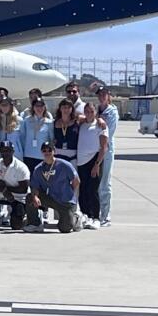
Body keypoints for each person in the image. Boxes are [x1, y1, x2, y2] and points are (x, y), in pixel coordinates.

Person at [24, 141, 81, 233]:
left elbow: (76, 181)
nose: (47, 153)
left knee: (65, 228)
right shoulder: (38, 169)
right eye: (44, 150)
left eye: (49, 150)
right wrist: (35, 197)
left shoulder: (64, 165)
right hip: (51, 198)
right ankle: (35, 224)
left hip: (65, 201)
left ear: (54, 151)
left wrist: (71, 195)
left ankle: (76, 218)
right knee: (30, 197)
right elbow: (35, 186)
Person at [0, 141, 30, 230]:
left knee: (16, 226)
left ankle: (26, 215)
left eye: (8, 150)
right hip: (3, 193)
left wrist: (6, 190)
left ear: (13, 151)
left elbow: (24, 188)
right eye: (3, 150)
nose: (5, 153)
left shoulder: (21, 167)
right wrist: (4, 191)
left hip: (19, 197)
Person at [77, 102, 108, 230]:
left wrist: (97, 164)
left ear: (95, 112)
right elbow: (76, 117)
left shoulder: (101, 126)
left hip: (94, 160)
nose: (89, 114)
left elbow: (104, 147)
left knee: (92, 190)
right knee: (83, 191)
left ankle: (96, 217)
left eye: (91, 111)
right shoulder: (82, 124)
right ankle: (86, 215)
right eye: (87, 111)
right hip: (81, 162)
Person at [96, 86, 118, 227]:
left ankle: (105, 215)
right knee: (95, 185)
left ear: (109, 95)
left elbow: (107, 132)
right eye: (100, 94)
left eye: (104, 94)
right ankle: (97, 213)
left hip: (106, 150)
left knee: (105, 184)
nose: (102, 96)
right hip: (95, 151)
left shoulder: (112, 112)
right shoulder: (96, 110)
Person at [19, 98, 54, 173]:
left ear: (44, 107)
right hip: (28, 155)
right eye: (37, 106)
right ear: (33, 107)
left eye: (41, 106)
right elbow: (22, 137)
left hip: (42, 156)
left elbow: (51, 140)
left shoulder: (49, 122)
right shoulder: (27, 120)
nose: (39, 108)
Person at [53, 99, 79, 166]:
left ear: (72, 109)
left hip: (72, 156)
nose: (66, 110)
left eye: (68, 107)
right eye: (64, 107)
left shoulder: (77, 121)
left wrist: (100, 119)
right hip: (58, 155)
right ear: (60, 108)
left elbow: (90, 118)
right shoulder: (54, 122)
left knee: (73, 175)